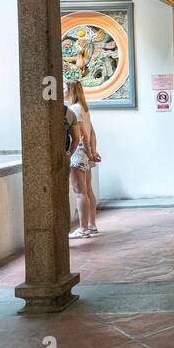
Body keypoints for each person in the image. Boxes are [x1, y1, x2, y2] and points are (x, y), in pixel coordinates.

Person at [65, 80, 101, 238]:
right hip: (86, 154)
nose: (62, 90)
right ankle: (92, 225)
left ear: (71, 91)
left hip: (78, 153)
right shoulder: (84, 108)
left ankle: (83, 228)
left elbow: (82, 136)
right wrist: (93, 152)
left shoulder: (73, 109)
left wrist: (88, 151)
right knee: (88, 190)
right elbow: (92, 133)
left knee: (80, 192)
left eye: (64, 88)